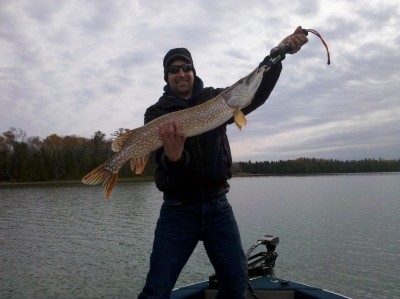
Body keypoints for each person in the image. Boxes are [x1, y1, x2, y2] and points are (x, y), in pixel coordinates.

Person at [138, 26, 308, 299]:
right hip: (178, 210)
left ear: (193, 71)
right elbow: (164, 164)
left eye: (186, 67)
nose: (181, 73)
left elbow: (256, 90)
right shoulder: (156, 113)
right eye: (174, 69)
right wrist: (175, 156)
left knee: (235, 284)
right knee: (157, 289)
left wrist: (278, 55)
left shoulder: (217, 100)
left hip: (218, 207)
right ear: (167, 76)